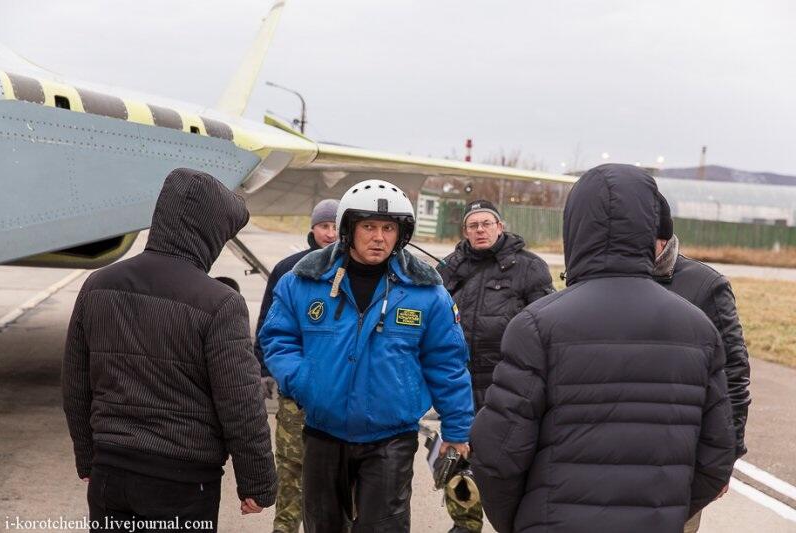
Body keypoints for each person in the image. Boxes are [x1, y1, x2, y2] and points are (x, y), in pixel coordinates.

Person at [470, 164, 736, 533]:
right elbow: (717, 453)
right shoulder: (698, 329)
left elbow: (498, 453)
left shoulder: (537, 325)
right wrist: (663, 511)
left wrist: (517, 521)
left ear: (575, 228)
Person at [63, 168, 277, 532]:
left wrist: (88, 457)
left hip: (110, 472)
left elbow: (76, 385)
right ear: (209, 231)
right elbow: (240, 402)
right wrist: (257, 482)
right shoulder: (219, 302)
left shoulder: (98, 284)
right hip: (182, 481)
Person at [262, 179, 474, 532]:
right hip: (322, 433)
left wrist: (456, 428)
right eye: (370, 226)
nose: (379, 237)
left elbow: (447, 364)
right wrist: (305, 383)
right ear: (349, 229)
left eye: (389, 228)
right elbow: (278, 339)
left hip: (390, 440)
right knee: (323, 526)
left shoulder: (427, 294)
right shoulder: (303, 281)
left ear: (401, 233)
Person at [437, 199, 555, 533]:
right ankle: (465, 523)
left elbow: (545, 328)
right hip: (458, 381)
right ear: (465, 231)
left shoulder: (529, 268)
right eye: (473, 225)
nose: (480, 230)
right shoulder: (449, 267)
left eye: (486, 223)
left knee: (509, 459)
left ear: (500, 226)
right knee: (457, 457)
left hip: (507, 382)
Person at [653, 193, 751, 533]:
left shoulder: (706, 285)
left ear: (660, 235)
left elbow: (735, 375)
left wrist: (725, 460)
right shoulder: (604, 278)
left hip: (682, 459)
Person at [253, 198, 338, 533]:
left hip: (338, 395)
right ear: (312, 228)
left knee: (335, 480)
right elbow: (268, 326)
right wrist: (265, 370)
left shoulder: (359, 270)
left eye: (335, 226)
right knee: (290, 471)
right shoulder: (289, 270)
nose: (330, 234)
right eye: (323, 226)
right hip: (296, 392)